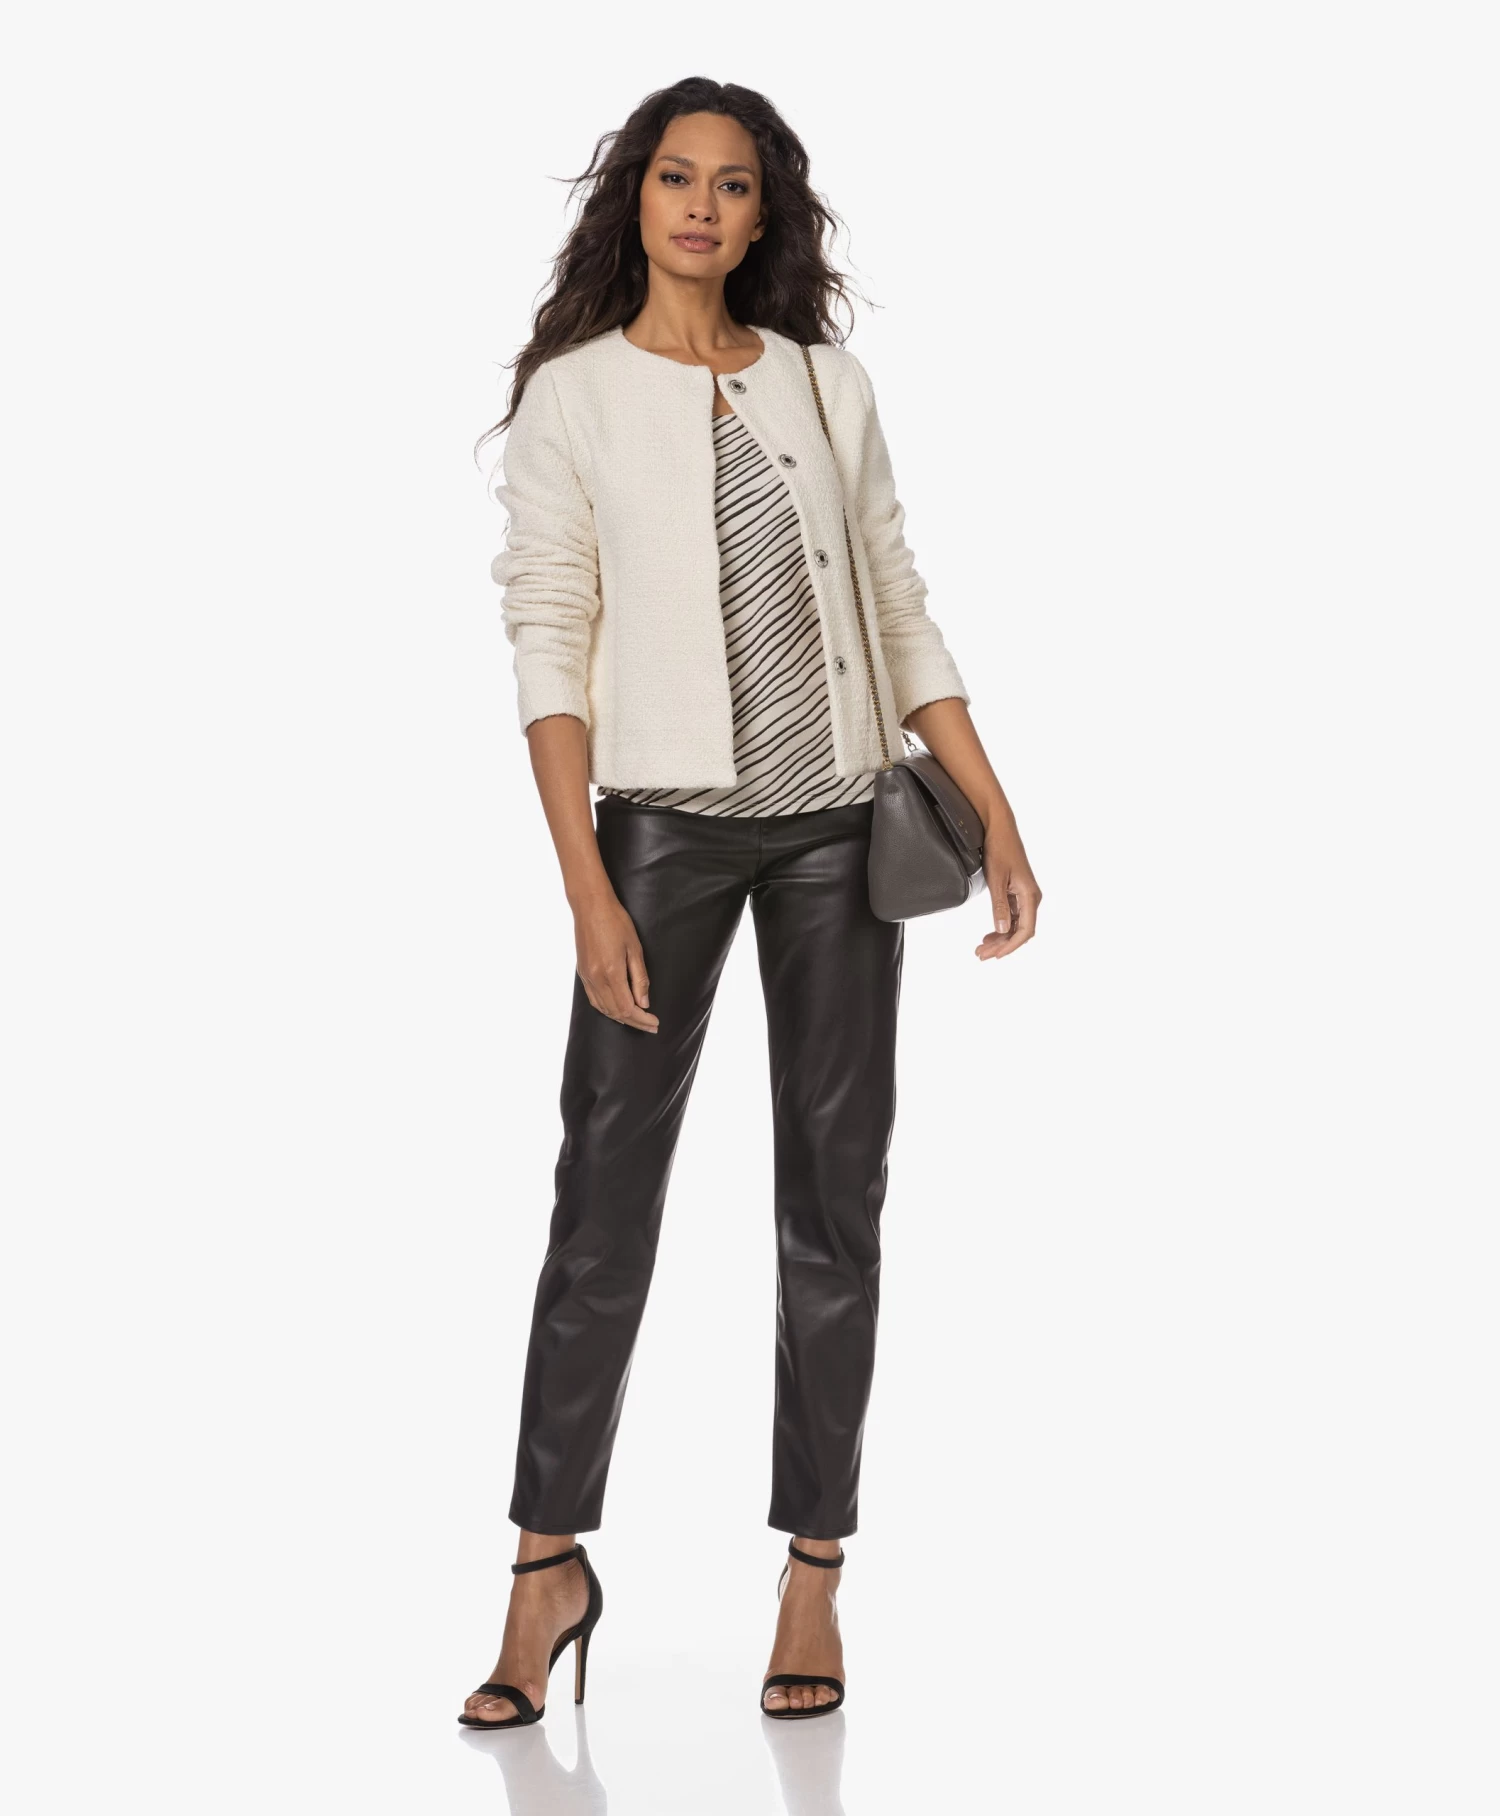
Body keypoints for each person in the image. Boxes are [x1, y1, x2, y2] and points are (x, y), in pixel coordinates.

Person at [461, 77, 1041, 1730]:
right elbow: (548, 637)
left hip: (840, 834)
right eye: (674, 178)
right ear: (634, 200)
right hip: (662, 835)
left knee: (834, 1199)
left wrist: (994, 805)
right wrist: (586, 883)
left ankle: (813, 1569)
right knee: (601, 1205)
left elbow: (897, 598)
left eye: (730, 184)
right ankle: (544, 1568)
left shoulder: (822, 383)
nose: (701, 207)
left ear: (763, 210)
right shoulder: (574, 396)